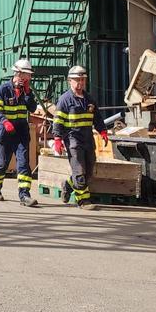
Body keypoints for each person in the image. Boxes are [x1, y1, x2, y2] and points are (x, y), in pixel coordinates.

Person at [53, 65, 107, 208]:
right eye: (77, 80)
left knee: (89, 170)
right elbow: (58, 121)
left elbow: (97, 118)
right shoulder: (65, 100)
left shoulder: (89, 99)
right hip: (73, 139)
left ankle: (68, 185)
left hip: (88, 138)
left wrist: (103, 132)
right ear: (69, 81)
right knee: (79, 170)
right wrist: (57, 139)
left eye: (82, 80)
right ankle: (83, 201)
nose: (80, 83)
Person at [0, 59, 39, 206]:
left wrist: (28, 93)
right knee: (2, 164)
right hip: (5, 132)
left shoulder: (27, 91)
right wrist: (5, 122)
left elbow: (32, 108)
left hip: (21, 132)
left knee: (23, 164)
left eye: (29, 76)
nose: (28, 78)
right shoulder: (3, 90)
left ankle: (24, 195)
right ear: (18, 73)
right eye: (26, 75)